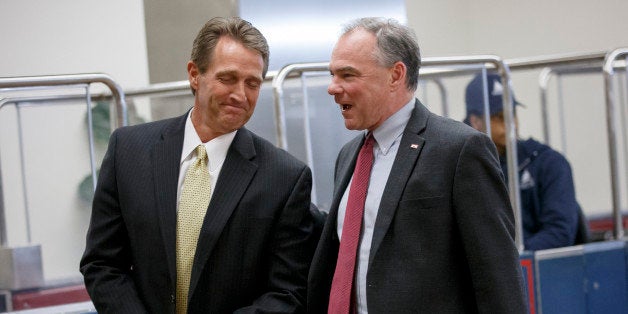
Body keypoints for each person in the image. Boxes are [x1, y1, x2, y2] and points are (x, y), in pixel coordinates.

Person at [80, 17, 316, 313]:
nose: (240, 95)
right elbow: (102, 263)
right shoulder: (128, 150)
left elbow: (287, 292)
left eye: (252, 83)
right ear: (194, 74)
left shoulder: (285, 178)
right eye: (228, 78)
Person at [308, 17, 527, 313]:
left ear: (396, 75)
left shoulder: (460, 150)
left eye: (348, 75)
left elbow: (498, 278)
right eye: (333, 75)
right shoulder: (349, 156)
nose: (333, 88)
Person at [464, 73, 584, 250]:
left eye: (512, 113)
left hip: (542, 272)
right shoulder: (460, 168)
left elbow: (560, 232)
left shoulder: (548, 163)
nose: (511, 123)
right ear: (475, 121)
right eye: (499, 117)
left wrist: (509, 260)